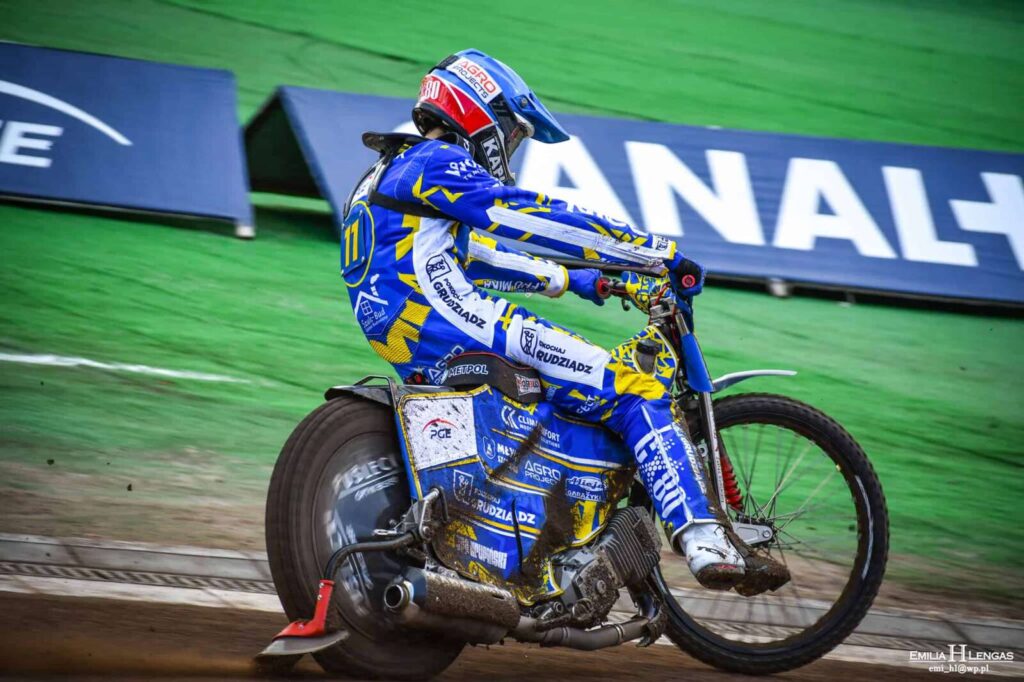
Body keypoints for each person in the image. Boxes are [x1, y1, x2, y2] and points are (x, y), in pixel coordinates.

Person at [341, 49, 745, 590]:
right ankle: (704, 539)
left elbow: (477, 257)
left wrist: (582, 280)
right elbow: (522, 215)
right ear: (479, 115)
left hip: (412, 337)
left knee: (562, 394)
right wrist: (652, 253)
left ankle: (534, 534)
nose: (511, 148)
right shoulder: (436, 161)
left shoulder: (388, 172)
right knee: (633, 386)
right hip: (451, 320)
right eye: (512, 133)